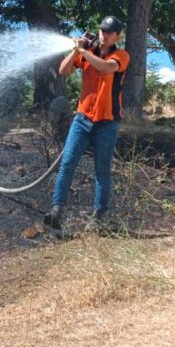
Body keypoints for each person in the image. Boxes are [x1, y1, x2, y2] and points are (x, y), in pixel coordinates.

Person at [43, 16, 130, 231]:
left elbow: (107, 68)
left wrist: (83, 51)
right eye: (102, 30)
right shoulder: (86, 52)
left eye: (109, 32)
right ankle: (56, 210)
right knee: (67, 163)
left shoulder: (121, 55)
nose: (104, 35)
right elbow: (63, 71)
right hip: (82, 120)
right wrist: (76, 51)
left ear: (117, 36)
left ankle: (98, 218)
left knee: (102, 170)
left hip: (107, 123)